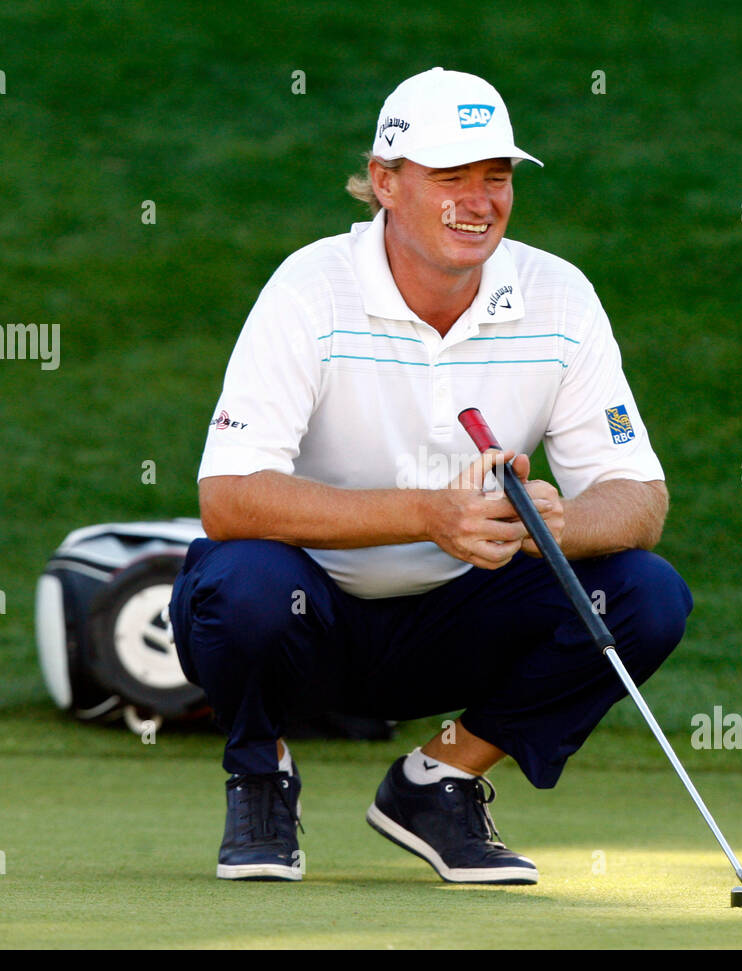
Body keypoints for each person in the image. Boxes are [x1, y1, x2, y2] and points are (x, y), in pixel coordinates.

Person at [169, 67, 692, 885]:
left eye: (497, 177)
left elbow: (639, 496)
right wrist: (427, 513)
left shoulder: (560, 296)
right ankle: (261, 774)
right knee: (239, 584)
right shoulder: (309, 289)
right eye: (451, 177)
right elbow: (228, 497)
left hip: (463, 616)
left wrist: (560, 527)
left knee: (645, 593)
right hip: (313, 617)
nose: (478, 201)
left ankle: (440, 779)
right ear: (384, 182)